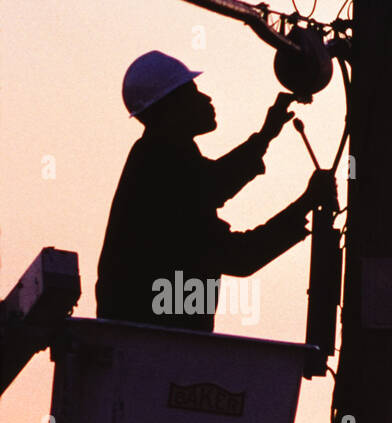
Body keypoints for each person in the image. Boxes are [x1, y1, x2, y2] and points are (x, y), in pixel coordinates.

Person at [96, 50, 335, 332]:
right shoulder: (159, 164)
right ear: (172, 107)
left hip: (148, 341)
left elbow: (211, 185)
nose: (206, 99)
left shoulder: (159, 161)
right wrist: (305, 202)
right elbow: (240, 255)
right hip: (154, 344)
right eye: (193, 93)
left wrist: (265, 136)